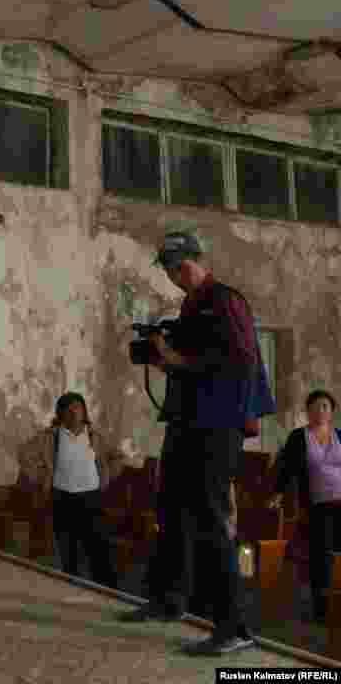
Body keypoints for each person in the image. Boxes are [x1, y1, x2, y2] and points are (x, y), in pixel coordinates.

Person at [119, 230, 258, 656]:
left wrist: (176, 358)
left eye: (177, 267)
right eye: (169, 269)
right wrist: (167, 359)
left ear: (191, 262)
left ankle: (234, 627)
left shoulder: (225, 300)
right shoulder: (193, 306)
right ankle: (170, 600)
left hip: (216, 426)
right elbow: (196, 363)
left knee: (211, 518)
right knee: (172, 510)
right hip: (187, 421)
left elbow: (240, 361)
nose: (174, 275)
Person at [17, 392, 124, 588]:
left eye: (78, 407)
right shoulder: (51, 436)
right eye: (69, 408)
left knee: (98, 547)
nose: (74, 412)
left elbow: (117, 456)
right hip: (62, 498)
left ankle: (109, 591)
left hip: (90, 498)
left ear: (84, 412)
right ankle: (70, 588)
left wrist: (105, 477)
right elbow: (24, 454)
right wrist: (42, 477)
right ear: (61, 413)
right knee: (67, 550)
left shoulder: (94, 436)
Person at [268, 389, 341, 622]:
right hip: (318, 505)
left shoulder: (339, 435)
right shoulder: (299, 437)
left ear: (332, 411)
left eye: (325, 406)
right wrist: (278, 494)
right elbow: (286, 467)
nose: (320, 411)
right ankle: (322, 609)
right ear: (308, 411)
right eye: (315, 407)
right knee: (321, 555)